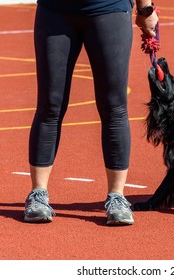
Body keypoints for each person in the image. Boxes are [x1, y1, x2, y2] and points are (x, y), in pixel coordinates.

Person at [23, 0, 159, 225]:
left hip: (109, 9)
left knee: (114, 106)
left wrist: (146, 8)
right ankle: (38, 195)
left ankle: (117, 197)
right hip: (55, 11)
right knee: (50, 105)